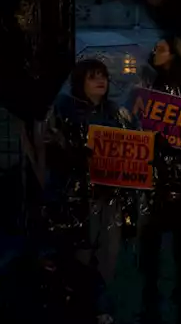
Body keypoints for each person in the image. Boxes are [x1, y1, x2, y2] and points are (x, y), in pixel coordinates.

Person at [44, 58, 136, 324]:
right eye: (93, 76)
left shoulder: (116, 113)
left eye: (104, 76)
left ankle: (100, 306)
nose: (101, 81)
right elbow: (52, 151)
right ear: (80, 81)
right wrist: (77, 157)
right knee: (78, 256)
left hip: (109, 197)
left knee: (108, 255)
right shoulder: (64, 110)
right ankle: (80, 306)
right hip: (76, 198)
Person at [138, 36, 181, 322]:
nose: (155, 52)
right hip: (150, 171)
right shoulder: (145, 83)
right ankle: (150, 287)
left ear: (175, 54)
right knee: (149, 234)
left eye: (161, 48)